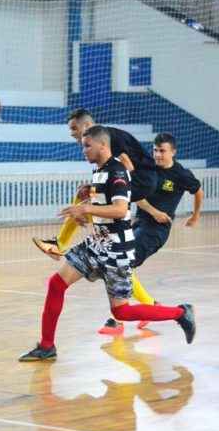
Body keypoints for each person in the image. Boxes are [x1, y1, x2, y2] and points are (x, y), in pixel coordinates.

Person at [19, 125, 196, 362]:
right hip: (97, 244)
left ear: (103, 145)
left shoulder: (118, 171)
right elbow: (103, 207)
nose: (83, 150)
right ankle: (47, 345)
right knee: (56, 284)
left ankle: (180, 313)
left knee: (121, 310)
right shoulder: (99, 171)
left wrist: (86, 207)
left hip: (116, 249)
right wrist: (86, 209)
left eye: (87, 145)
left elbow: (121, 209)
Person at [98, 132, 204, 334]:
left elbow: (198, 190)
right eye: (155, 150)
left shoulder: (181, 174)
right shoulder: (148, 168)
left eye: (162, 151)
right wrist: (154, 211)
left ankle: (118, 319)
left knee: (122, 263)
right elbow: (136, 196)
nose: (157, 155)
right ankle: (149, 308)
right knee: (117, 262)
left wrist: (195, 215)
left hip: (156, 230)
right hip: (140, 222)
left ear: (173, 151)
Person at [33, 108, 157, 260]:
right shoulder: (100, 139)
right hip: (138, 179)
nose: (71, 133)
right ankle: (62, 242)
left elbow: (127, 167)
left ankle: (64, 241)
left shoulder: (109, 138)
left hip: (143, 179)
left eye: (74, 128)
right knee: (84, 195)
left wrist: (91, 206)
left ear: (86, 125)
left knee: (95, 202)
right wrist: (94, 189)